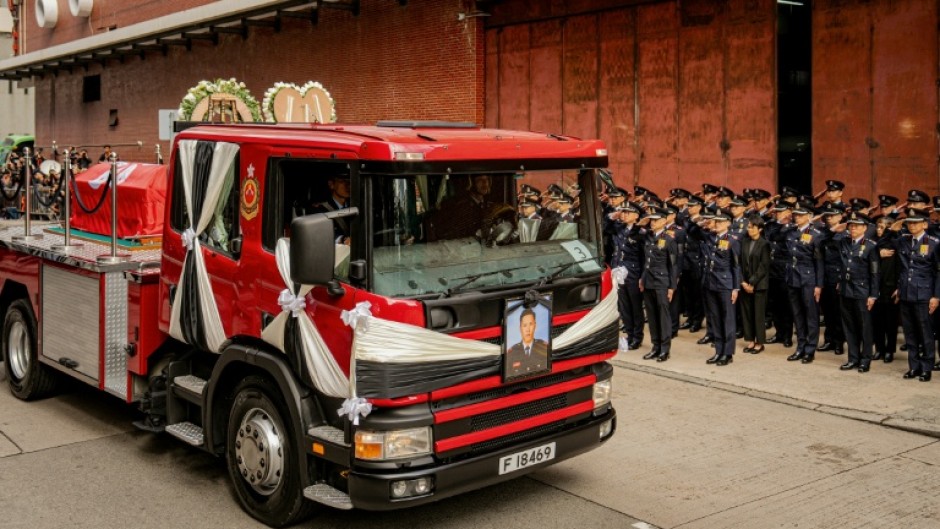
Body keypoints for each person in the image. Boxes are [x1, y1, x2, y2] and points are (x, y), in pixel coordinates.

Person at [896, 212, 940, 382]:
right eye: (909, 223)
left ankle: (927, 367)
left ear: (925, 225)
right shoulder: (903, 240)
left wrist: (936, 296)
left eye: (916, 223)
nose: (912, 226)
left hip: (924, 294)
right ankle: (914, 367)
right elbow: (886, 238)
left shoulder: (934, 244)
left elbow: (938, 272)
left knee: (925, 333)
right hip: (906, 293)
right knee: (910, 333)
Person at [836, 212, 880, 373]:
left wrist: (873, 295)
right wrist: (842, 227)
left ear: (865, 228)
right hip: (846, 289)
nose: (853, 228)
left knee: (864, 327)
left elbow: (875, 273)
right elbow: (833, 236)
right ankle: (853, 358)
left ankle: (865, 359)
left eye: (857, 226)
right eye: (851, 225)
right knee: (849, 326)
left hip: (862, 291)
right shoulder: (844, 242)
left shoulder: (871, 246)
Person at [785, 200, 825, 364]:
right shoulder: (792, 232)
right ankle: (800, 346)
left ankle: (810, 348)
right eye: (796, 215)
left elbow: (819, 262)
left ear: (809, 217)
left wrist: (818, 285)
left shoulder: (816, 234)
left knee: (811, 315)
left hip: (809, 278)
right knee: (797, 314)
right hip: (793, 277)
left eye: (801, 215)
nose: (797, 218)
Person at [639, 206, 679, 361]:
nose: (652, 223)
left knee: (663, 316)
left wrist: (671, 287)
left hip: (662, 282)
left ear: (664, 221)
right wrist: (642, 279)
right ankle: (655, 346)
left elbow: (673, 265)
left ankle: (665, 349)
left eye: (656, 220)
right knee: (652, 316)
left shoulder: (669, 240)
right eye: (652, 220)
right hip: (648, 280)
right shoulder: (648, 237)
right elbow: (646, 262)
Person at [703, 209, 741, 366]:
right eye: (715, 221)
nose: (716, 224)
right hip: (711, 282)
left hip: (726, 283)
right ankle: (718, 351)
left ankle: (728, 353)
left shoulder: (733, 240)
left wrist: (736, 287)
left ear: (728, 223)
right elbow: (698, 229)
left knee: (728, 319)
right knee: (716, 319)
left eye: (720, 222)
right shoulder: (711, 237)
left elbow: (736, 266)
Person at [611, 202, 646, 350]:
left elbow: (645, 258)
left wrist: (642, 277)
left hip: (633, 273)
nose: (624, 215)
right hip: (619, 272)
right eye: (623, 212)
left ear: (636, 216)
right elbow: (606, 226)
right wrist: (613, 216)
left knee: (635, 307)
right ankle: (629, 334)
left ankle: (637, 337)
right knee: (624, 307)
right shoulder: (620, 228)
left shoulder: (641, 233)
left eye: (627, 212)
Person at [819, 202, 847, 355]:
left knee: (838, 312)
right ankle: (828, 340)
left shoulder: (845, 233)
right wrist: (831, 231)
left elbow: (846, 258)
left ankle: (839, 342)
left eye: (833, 215)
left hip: (837, 276)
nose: (829, 218)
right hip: (825, 275)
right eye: (828, 216)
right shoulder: (825, 232)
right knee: (827, 311)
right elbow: (819, 243)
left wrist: (841, 279)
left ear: (841, 216)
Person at [740, 215, 770, 354]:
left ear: (760, 229)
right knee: (747, 313)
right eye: (748, 227)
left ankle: (759, 342)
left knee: (758, 314)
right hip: (745, 284)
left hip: (759, 285)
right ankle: (750, 340)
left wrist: (752, 282)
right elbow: (740, 262)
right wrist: (743, 282)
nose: (749, 229)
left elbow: (763, 266)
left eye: (752, 227)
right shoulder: (745, 242)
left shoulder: (764, 244)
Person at [872, 215, 900, 363]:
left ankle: (890, 350)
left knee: (891, 322)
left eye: (882, 227)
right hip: (875, 288)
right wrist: (878, 254)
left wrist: (898, 286)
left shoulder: (895, 243)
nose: (878, 230)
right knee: (877, 321)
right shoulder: (874, 244)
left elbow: (901, 268)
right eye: (878, 226)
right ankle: (879, 349)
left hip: (890, 288)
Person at [506, 308, 549, 377]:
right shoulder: (511, 353)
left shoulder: (544, 348)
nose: (528, 329)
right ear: (520, 328)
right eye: (525, 325)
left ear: (535, 326)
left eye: (531, 324)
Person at [311, 175, 351, 244]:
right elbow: (321, 232)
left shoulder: (357, 206)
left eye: (349, 181)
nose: (348, 185)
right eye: (342, 181)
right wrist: (342, 239)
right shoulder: (320, 209)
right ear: (331, 184)